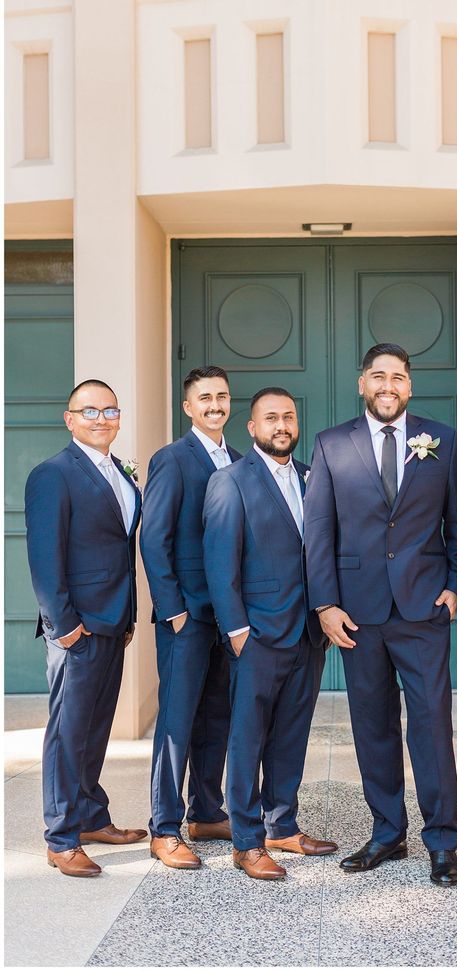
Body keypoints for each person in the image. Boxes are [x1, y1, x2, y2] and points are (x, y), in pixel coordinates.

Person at [304, 343, 457, 887]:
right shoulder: (331, 445)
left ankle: (443, 840)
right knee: (372, 725)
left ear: (409, 386)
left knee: (431, 727)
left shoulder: (442, 440)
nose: (388, 385)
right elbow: (319, 532)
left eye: (398, 377)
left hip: (424, 608)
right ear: (362, 384)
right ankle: (387, 832)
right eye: (378, 376)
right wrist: (325, 604)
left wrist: (455, 586)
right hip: (358, 612)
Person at [203, 388, 336, 880]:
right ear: (252, 428)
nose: (282, 425)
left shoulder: (312, 477)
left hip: (307, 633)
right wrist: (237, 631)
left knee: (291, 734)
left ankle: (282, 824)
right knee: (247, 737)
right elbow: (220, 562)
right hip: (256, 634)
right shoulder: (230, 481)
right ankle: (245, 839)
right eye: (271, 418)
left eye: (289, 416)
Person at [25, 379, 146, 877]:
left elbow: (120, 551)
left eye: (110, 410)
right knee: (67, 731)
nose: (102, 418)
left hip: (114, 622)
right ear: (70, 418)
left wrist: (129, 615)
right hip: (77, 627)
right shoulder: (52, 474)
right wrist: (64, 625)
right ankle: (61, 836)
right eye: (90, 410)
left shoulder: (120, 472)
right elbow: (43, 559)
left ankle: (92, 815)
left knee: (97, 728)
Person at [141, 366, 240, 869]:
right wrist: (173, 610)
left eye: (221, 397)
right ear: (188, 407)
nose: (215, 405)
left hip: (228, 620)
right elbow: (152, 539)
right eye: (205, 398)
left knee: (216, 717)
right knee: (178, 721)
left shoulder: (242, 461)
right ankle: (164, 826)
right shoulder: (172, 460)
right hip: (186, 617)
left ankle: (206, 810)